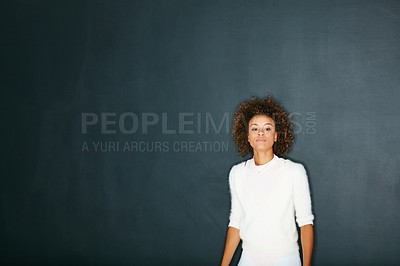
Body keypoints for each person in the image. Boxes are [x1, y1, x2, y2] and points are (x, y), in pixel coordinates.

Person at [221, 95, 314, 266]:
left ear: (276, 136)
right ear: (247, 137)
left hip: (285, 258)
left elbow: (306, 223)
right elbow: (235, 222)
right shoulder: (236, 173)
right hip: (248, 257)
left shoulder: (294, 171)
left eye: (268, 128)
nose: (261, 132)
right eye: (255, 129)